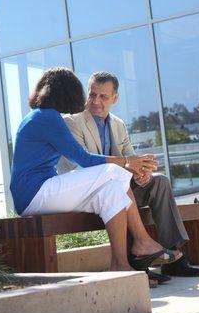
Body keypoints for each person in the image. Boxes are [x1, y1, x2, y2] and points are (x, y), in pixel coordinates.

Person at [10, 67, 182, 274]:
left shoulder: (43, 116)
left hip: (39, 193)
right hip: (34, 193)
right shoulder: (47, 118)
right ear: (68, 92)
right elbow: (84, 160)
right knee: (114, 172)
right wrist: (127, 161)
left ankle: (120, 265)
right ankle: (142, 240)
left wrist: (131, 164)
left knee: (111, 192)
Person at [57, 71, 199, 278]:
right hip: (87, 193)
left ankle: (174, 258)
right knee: (119, 188)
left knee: (159, 182)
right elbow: (81, 167)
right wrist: (128, 168)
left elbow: (130, 159)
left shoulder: (118, 125)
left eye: (103, 96)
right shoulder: (72, 122)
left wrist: (141, 173)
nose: (96, 101)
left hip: (117, 185)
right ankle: (140, 264)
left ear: (115, 98)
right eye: (92, 95)